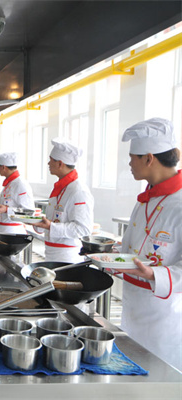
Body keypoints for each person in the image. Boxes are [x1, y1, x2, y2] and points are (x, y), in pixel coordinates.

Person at [114, 118, 182, 371]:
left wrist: (154, 274)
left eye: (132, 157)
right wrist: (112, 255)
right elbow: (137, 248)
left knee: (158, 378)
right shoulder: (146, 198)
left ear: (149, 158)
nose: (129, 164)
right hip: (133, 309)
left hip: (164, 317)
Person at [32, 139, 94, 262]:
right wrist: (39, 223)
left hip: (67, 256)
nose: (48, 163)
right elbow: (56, 219)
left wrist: (51, 226)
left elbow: (84, 229)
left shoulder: (78, 190)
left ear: (60, 164)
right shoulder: (62, 187)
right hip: (51, 252)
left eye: (51, 160)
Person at [0, 152, 35, 234]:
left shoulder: (21, 184)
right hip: (3, 229)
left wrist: (7, 210)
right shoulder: (9, 183)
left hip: (13, 230)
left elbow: (29, 212)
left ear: (3, 167)